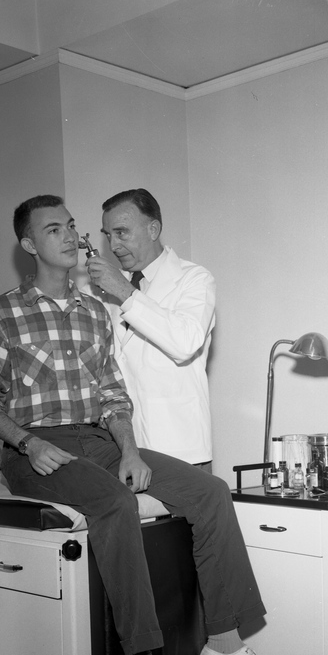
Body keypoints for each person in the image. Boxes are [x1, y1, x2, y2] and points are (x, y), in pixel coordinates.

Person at [0, 195, 299, 655]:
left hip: (101, 439)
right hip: (33, 449)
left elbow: (114, 394)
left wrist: (130, 451)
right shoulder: (2, 312)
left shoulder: (96, 309)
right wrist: (25, 442)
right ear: (28, 245)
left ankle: (225, 646)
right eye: (56, 229)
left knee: (211, 492)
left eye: (73, 226)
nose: (73, 236)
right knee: (116, 505)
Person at [86, 188, 215, 469]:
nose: (114, 246)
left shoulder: (194, 279)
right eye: (108, 235)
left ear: (153, 229)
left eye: (122, 233)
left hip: (179, 445)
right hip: (121, 448)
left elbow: (184, 344)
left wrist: (123, 291)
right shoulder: (99, 290)